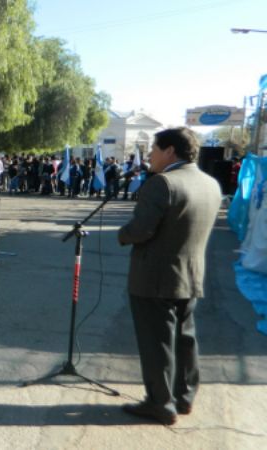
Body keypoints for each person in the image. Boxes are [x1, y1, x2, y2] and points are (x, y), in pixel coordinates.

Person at [118, 127, 222, 425]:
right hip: (190, 275)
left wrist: (123, 234)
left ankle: (160, 404)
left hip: (155, 279)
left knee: (157, 343)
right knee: (185, 339)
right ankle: (184, 396)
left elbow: (141, 230)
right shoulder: (210, 183)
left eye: (154, 149)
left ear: (170, 151)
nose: (150, 155)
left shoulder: (162, 183)